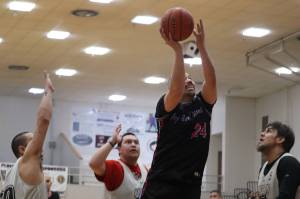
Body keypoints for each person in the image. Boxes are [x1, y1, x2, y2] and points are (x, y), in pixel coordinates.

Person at [140, 19, 217, 199]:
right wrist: (177, 50)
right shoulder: (166, 107)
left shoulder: (203, 105)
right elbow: (175, 90)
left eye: (191, 78)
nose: (189, 81)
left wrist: (202, 47)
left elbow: (211, 81)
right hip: (161, 185)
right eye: (184, 78)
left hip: (191, 186)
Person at [0, 72, 54, 199]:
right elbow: (43, 121)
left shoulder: (10, 176)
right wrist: (48, 91)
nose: (38, 143)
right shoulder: (29, 161)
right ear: (22, 149)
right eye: (32, 140)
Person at [89, 124, 147, 199]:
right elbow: (94, 164)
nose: (133, 144)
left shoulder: (144, 169)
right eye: (128, 142)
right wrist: (112, 141)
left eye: (136, 142)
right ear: (119, 149)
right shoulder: (116, 167)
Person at [256, 121, 300, 199]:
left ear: (280, 139)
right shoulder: (262, 168)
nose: (262, 133)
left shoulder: (288, 162)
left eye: (268, 131)